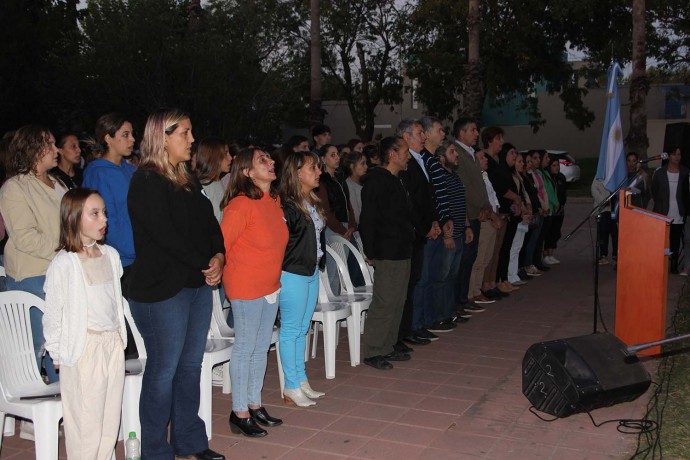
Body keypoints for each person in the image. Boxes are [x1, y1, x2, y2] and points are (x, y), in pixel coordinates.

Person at [127, 108, 225, 460]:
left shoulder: (188, 179)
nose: (192, 139)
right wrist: (205, 262)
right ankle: (154, 451)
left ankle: (190, 441)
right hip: (161, 290)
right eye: (184, 132)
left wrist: (219, 256)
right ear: (162, 137)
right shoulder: (147, 181)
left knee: (189, 366)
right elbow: (166, 236)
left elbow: (210, 226)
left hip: (195, 285)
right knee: (163, 368)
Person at [43, 188, 126, 460]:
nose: (104, 219)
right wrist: (56, 351)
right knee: (85, 422)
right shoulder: (65, 263)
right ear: (75, 219)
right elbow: (54, 312)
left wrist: (121, 337)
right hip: (83, 349)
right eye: (95, 213)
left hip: (111, 344)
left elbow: (116, 300)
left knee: (109, 419)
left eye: (104, 212)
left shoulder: (110, 256)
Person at [221, 148, 287, 437]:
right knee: (246, 347)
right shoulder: (239, 205)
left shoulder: (273, 200)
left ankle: (254, 403)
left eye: (270, 159)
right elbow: (221, 246)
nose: (271, 163)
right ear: (247, 172)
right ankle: (239, 411)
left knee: (262, 347)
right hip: (245, 285)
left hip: (270, 285)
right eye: (263, 160)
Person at [0, 125, 67, 384]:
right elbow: (25, 237)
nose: (56, 149)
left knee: (61, 345)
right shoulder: (15, 188)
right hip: (33, 276)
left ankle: (61, 406)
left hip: (60, 272)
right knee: (37, 347)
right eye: (49, 144)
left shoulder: (58, 183)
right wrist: (67, 250)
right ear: (31, 150)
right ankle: (31, 416)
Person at [359, 136, 415, 370]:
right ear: (392, 154)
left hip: (401, 249)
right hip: (387, 250)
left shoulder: (395, 180)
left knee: (397, 300)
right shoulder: (377, 181)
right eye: (405, 152)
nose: (408, 156)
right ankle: (373, 350)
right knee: (385, 302)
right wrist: (371, 250)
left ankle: (388, 345)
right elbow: (368, 219)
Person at [278, 151, 327, 407]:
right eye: (313, 168)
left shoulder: (311, 201)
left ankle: (300, 380)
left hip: (310, 271)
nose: (319, 172)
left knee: (301, 330)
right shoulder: (286, 204)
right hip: (293, 274)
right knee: (291, 331)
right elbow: (280, 244)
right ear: (297, 173)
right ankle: (290, 386)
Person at [82, 113, 137, 295]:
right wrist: (131, 249)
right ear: (108, 138)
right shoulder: (98, 173)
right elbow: (104, 219)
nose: (132, 139)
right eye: (125, 135)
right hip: (120, 260)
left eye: (132, 134)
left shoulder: (130, 170)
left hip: (140, 255)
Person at [652, 147, 689, 273]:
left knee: (675, 240)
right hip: (663, 211)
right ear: (668, 156)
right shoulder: (660, 173)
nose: (677, 157)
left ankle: (673, 267)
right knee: (661, 240)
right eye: (674, 154)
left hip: (678, 211)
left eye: (679, 154)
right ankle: (659, 265)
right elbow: (655, 191)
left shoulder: (685, 172)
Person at [196, 136, 232, 223]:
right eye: (226, 153)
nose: (230, 158)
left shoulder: (217, 182)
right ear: (214, 156)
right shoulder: (205, 187)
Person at [544, 156, 566, 265]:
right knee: (549, 231)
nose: (556, 168)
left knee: (556, 232)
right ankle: (546, 253)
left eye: (558, 165)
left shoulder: (561, 177)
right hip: (552, 209)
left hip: (560, 210)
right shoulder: (548, 178)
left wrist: (561, 204)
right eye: (554, 165)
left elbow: (563, 193)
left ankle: (551, 254)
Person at [342, 151, 368, 225]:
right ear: (352, 166)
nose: (366, 166)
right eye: (362, 164)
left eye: (366, 163)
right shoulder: (348, 186)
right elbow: (356, 216)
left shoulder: (366, 181)